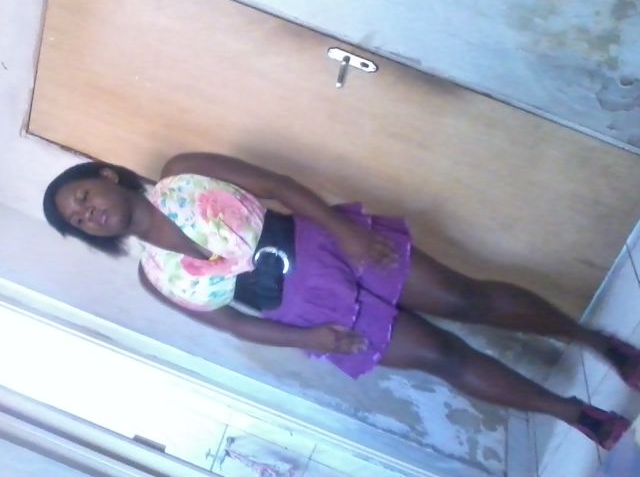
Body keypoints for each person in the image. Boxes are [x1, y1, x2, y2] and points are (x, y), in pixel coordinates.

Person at [43, 152, 640, 450]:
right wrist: (310, 339)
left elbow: (277, 187)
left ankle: (599, 343)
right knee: (443, 358)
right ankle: (578, 416)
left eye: (84, 197)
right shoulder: (154, 276)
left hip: (328, 245)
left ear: (108, 177)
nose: (89, 214)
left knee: (467, 298)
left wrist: (347, 232)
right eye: (79, 221)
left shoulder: (181, 172)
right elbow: (234, 325)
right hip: (311, 315)